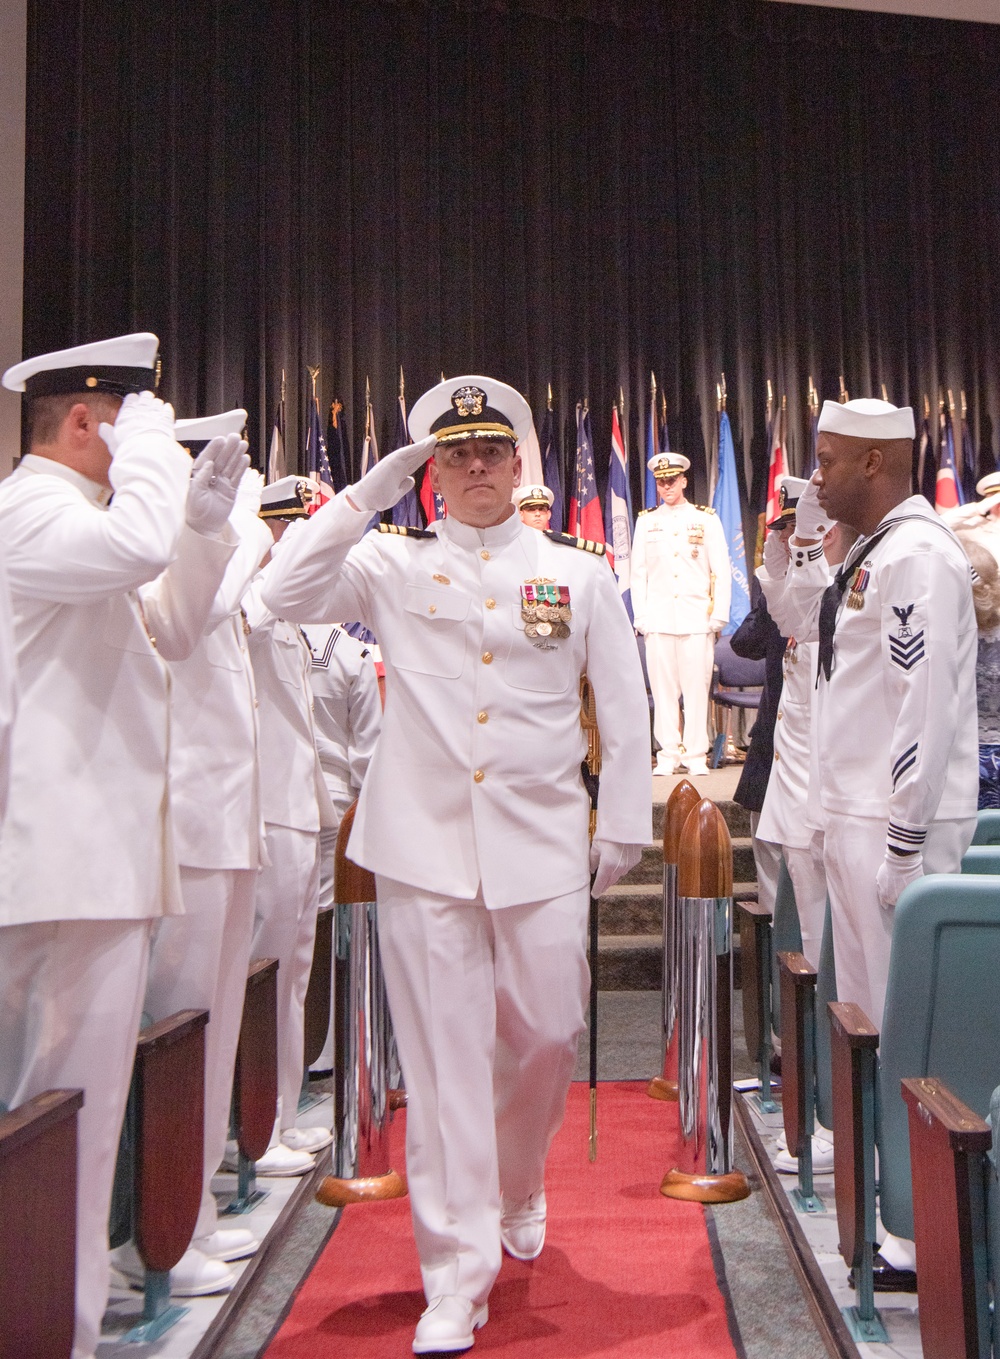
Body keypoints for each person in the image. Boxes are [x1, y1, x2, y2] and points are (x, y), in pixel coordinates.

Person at [261, 375, 651, 1355]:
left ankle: (520, 1177)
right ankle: (454, 1273)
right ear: (432, 471)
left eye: (489, 453)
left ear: (522, 464)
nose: (473, 468)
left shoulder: (581, 572)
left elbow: (626, 700)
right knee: (439, 1069)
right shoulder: (391, 567)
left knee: (549, 1032)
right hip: (422, 848)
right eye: (452, 454)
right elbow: (281, 593)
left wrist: (625, 822)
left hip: (543, 842)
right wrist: (361, 495)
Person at [0, 334, 242, 1359]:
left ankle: (63, 1309)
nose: (150, 441)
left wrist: (205, 525)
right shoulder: (30, 511)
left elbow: (175, 626)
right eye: (132, 420)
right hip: (57, 862)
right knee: (54, 1110)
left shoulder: (85, 520)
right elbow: (134, 554)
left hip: (94, 862)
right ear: (90, 421)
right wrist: (155, 465)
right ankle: (50, 1321)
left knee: (76, 1110)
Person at [112, 409, 289, 1300]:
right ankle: (152, 1232)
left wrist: (224, 535)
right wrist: (222, 531)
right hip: (183, 826)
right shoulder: (164, 557)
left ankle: (190, 1213)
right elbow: (192, 619)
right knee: (176, 1028)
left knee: (209, 1026)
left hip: (227, 820)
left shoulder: (203, 554)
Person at [242, 475, 338, 1155]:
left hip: (300, 807)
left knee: (294, 973)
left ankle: (281, 1111)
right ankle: (257, 1124)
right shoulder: (251, 600)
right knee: (268, 974)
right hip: (266, 812)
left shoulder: (294, 616)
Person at [631, 451, 731, 776]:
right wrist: (642, 617)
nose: (666, 486)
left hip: (695, 618)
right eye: (661, 481)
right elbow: (638, 574)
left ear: (684, 480)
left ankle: (696, 756)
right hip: (659, 619)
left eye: (672, 480)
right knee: (663, 693)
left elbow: (722, 570)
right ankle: (668, 755)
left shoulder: (706, 519)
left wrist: (718, 615)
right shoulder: (647, 521)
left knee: (696, 690)